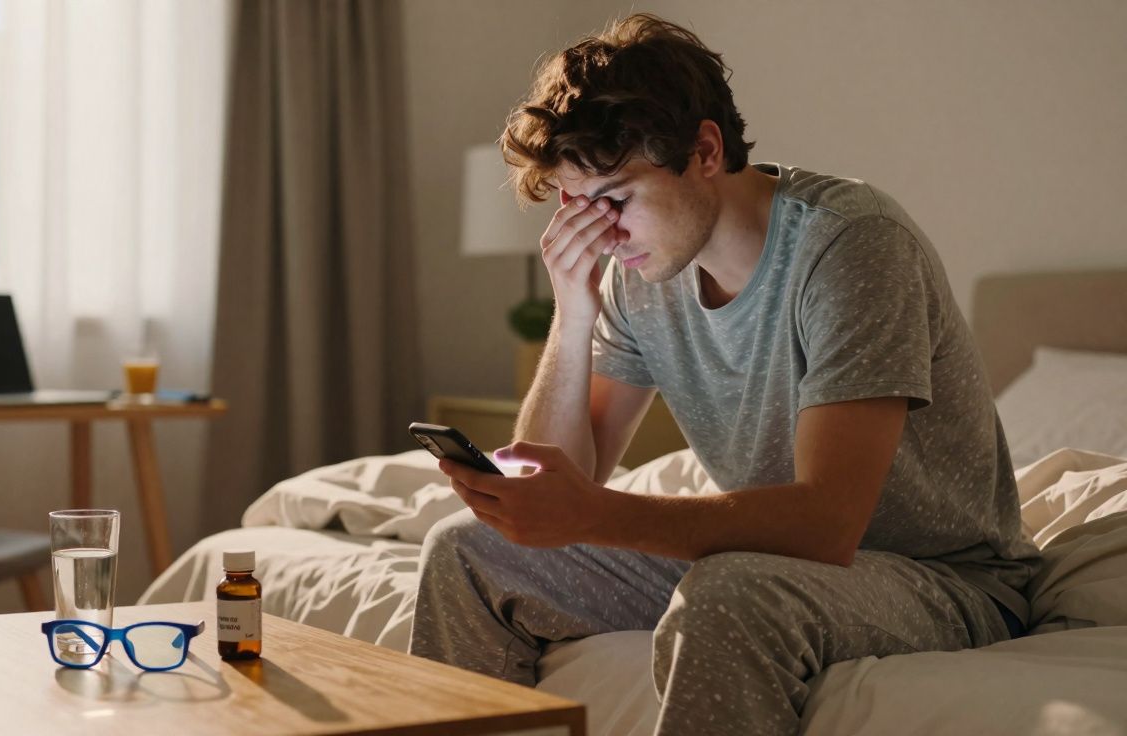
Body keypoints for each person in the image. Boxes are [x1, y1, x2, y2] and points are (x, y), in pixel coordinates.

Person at [407, 13, 1039, 736]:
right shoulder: (641, 270)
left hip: (943, 580)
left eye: (614, 201)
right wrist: (573, 310)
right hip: (768, 564)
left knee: (726, 594)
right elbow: (556, 476)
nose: (602, 238)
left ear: (705, 150)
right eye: (579, 209)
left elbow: (830, 525)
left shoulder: (852, 246)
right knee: (465, 553)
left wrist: (592, 512)